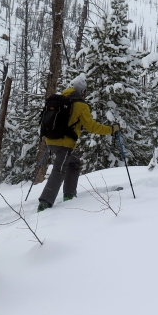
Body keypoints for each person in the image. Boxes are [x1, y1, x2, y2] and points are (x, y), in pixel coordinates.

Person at [38, 74, 119, 212]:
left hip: (51, 140)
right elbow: (91, 127)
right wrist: (111, 129)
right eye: (85, 91)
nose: (86, 94)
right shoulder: (80, 105)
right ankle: (45, 202)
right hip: (64, 144)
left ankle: (69, 195)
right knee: (59, 170)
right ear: (82, 91)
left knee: (74, 164)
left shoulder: (62, 99)